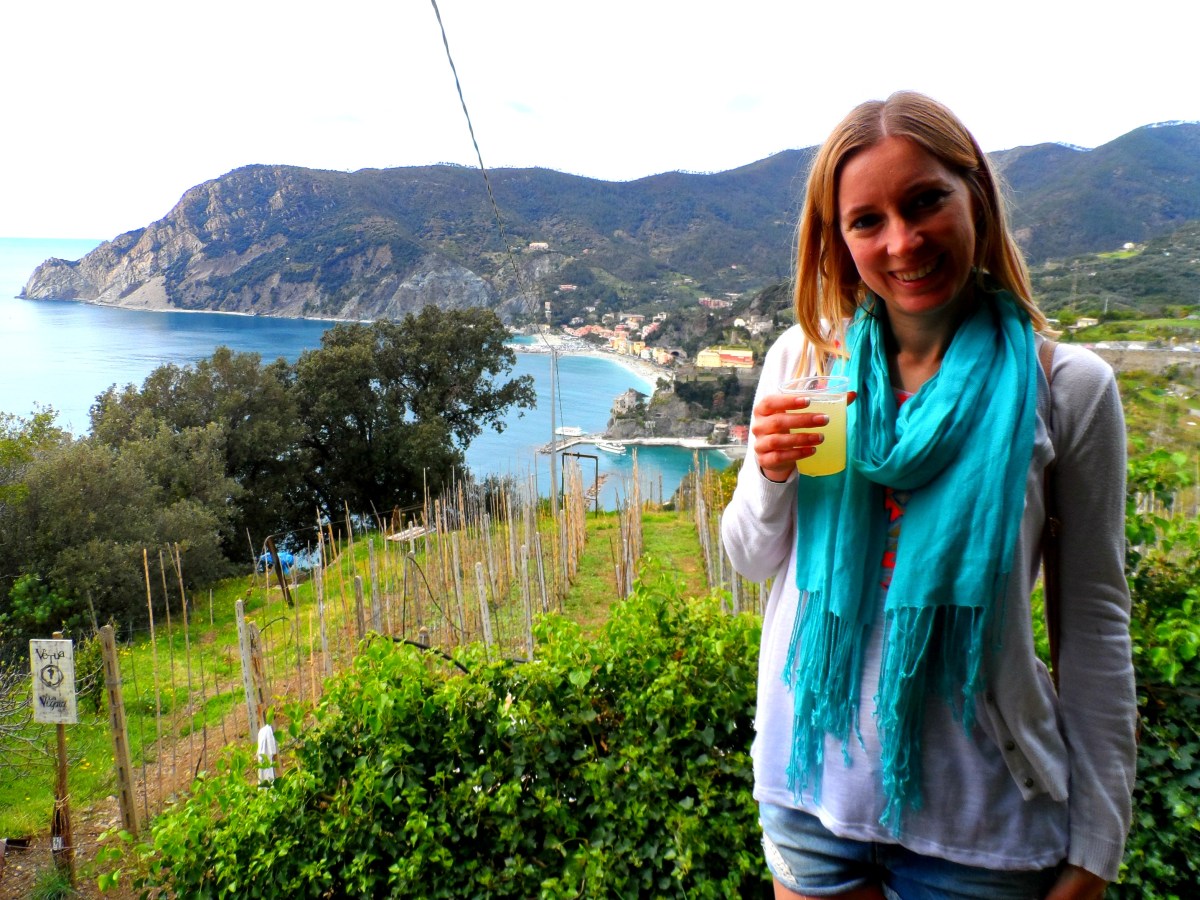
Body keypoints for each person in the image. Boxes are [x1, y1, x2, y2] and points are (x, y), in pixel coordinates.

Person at [721, 91, 1136, 900]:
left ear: (973, 195)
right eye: (866, 220)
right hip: (809, 802)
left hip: (981, 827)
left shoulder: (1067, 390)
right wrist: (769, 473)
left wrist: (1097, 848)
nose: (901, 242)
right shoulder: (804, 365)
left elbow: (1092, 624)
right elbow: (749, 559)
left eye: (924, 203)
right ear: (839, 241)